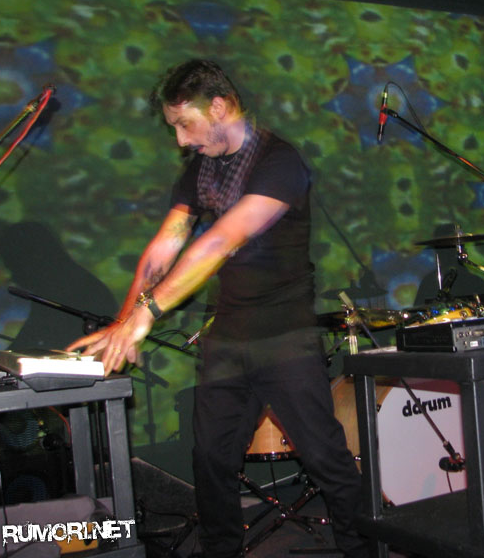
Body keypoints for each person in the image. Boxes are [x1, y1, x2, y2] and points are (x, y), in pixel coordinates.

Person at [68, 59, 366, 557]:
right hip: (227, 337)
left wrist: (145, 315)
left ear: (220, 108)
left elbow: (222, 241)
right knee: (211, 461)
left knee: (326, 459)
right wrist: (124, 320)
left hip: (284, 337)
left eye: (185, 124)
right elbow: (165, 246)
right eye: (174, 127)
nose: (180, 139)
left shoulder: (280, 162)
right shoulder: (200, 169)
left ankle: (365, 550)